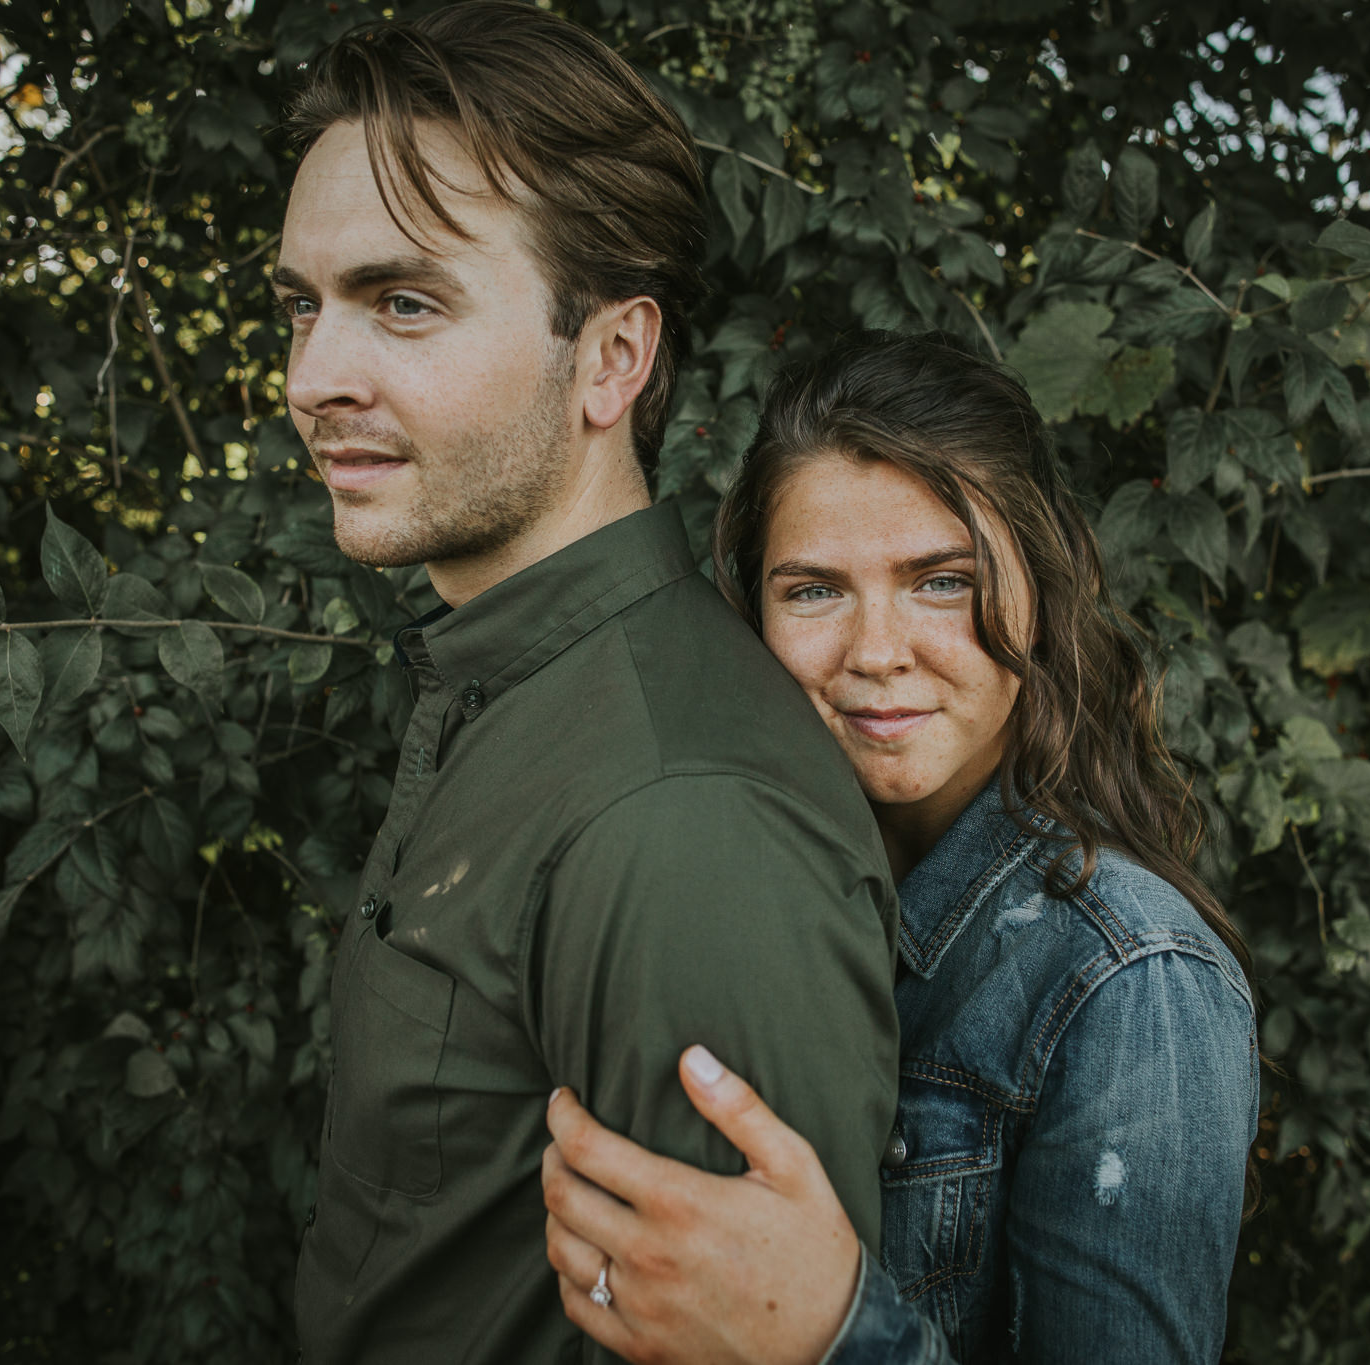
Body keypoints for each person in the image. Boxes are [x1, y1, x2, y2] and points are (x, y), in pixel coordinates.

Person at [276, 9, 902, 1363]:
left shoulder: (678, 815)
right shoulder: (502, 678)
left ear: (612, 358)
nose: (313, 377)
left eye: (404, 302)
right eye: (302, 306)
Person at [539, 332, 1260, 1363]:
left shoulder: (1132, 978)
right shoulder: (746, 885)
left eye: (941, 582)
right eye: (814, 590)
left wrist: (829, 1332)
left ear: (1039, 590)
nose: (876, 652)